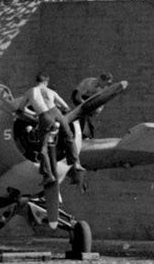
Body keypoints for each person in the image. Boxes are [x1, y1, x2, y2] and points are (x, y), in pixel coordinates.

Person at [23, 72, 85, 221]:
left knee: (42, 148)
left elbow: (21, 109)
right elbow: (65, 106)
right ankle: (75, 163)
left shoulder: (31, 91)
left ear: (36, 81)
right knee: (69, 137)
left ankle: (48, 174)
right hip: (57, 113)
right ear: (46, 81)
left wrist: (33, 116)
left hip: (44, 115)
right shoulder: (51, 92)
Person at [70, 72, 115, 139]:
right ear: (100, 80)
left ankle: (89, 136)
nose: (108, 85)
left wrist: (97, 110)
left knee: (89, 116)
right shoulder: (88, 83)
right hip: (79, 97)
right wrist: (86, 107)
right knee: (83, 114)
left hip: (89, 98)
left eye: (109, 83)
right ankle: (78, 134)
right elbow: (77, 97)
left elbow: (101, 102)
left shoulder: (104, 88)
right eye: (107, 83)